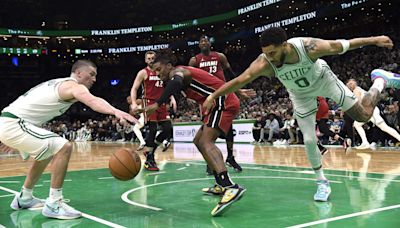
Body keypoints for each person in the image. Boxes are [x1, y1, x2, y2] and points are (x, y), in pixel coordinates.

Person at [203, 27, 395, 202]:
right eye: (266, 53)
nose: (269, 57)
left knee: (362, 116)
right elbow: (239, 80)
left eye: (273, 52)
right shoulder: (264, 62)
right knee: (310, 140)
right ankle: (321, 182)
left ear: (285, 45)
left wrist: (375, 38)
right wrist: (214, 95)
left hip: (324, 80)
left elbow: (342, 44)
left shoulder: (309, 47)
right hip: (300, 95)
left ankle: (379, 81)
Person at [0, 60, 136, 220]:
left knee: (45, 154)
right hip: (14, 123)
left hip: (12, 122)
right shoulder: (73, 86)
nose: (94, 79)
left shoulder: (58, 83)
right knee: (63, 147)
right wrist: (115, 111)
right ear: (79, 73)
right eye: (91, 74)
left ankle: (24, 198)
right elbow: (93, 101)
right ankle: (54, 204)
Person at [140, 49, 254, 216]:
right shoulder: (180, 74)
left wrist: (157, 104)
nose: (157, 74)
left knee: (207, 142)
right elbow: (216, 82)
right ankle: (220, 183)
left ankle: (230, 187)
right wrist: (238, 91)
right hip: (218, 102)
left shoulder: (179, 72)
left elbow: (177, 81)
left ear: (169, 66)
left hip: (222, 102)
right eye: (155, 71)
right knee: (199, 141)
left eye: (159, 70)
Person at [188, 35, 242, 174]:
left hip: (223, 94)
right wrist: (187, 96)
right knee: (209, 129)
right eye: (201, 41)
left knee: (229, 128)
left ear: (210, 43)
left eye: (206, 40)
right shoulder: (195, 60)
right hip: (207, 97)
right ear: (199, 45)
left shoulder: (220, 56)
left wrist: (238, 88)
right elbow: (186, 78)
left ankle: (230, 157)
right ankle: (210, 161)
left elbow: (231, 74)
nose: (204, 42)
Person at [130, 51, 176, 171]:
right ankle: (149, 159)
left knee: (168, 129)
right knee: (153, 128)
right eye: (149, 58)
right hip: (148, 102)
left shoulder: (161, 71)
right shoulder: (143, 72)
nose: (151, 60)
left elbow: (167, 86)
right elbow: (134, 88)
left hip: (161, 102)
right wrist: (134, 103)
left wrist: (172, 98)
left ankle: (151, 149)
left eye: (153, 58)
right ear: (145, 60)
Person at [346, 78, 400, 149]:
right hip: (370, 109)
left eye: (350, 83)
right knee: (357, 124)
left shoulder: (356, 90)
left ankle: (365, 142)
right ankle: (365, 142)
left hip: (371, 110)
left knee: (384, 128)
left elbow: (359, 103)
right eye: (348, 84)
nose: (349, 85)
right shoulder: (358, 89)